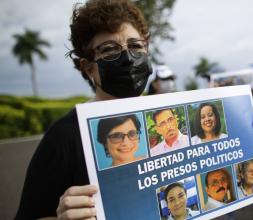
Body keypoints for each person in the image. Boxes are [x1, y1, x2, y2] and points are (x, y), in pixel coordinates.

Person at [16, 0, 153, 219]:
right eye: (109, 50)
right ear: (88, 67)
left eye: (136, 46)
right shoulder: (64, 136)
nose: (127, 58)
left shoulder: (165, 117)